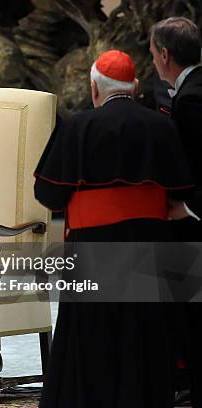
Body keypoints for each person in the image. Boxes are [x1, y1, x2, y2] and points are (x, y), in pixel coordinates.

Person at [34, 50, 193, 408]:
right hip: (151, 246)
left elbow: (48, 192)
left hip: (93, 246)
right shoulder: (162, 125)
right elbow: (183, 189)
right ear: (135, 86)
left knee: (93, 335)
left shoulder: (77, 126)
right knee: (144, 332)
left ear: (94, 87)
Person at [150, 16, 202, 407]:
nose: (153, 60)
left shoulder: (191, 100)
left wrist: (188, 207)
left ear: (165, 55)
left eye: (153, 53)